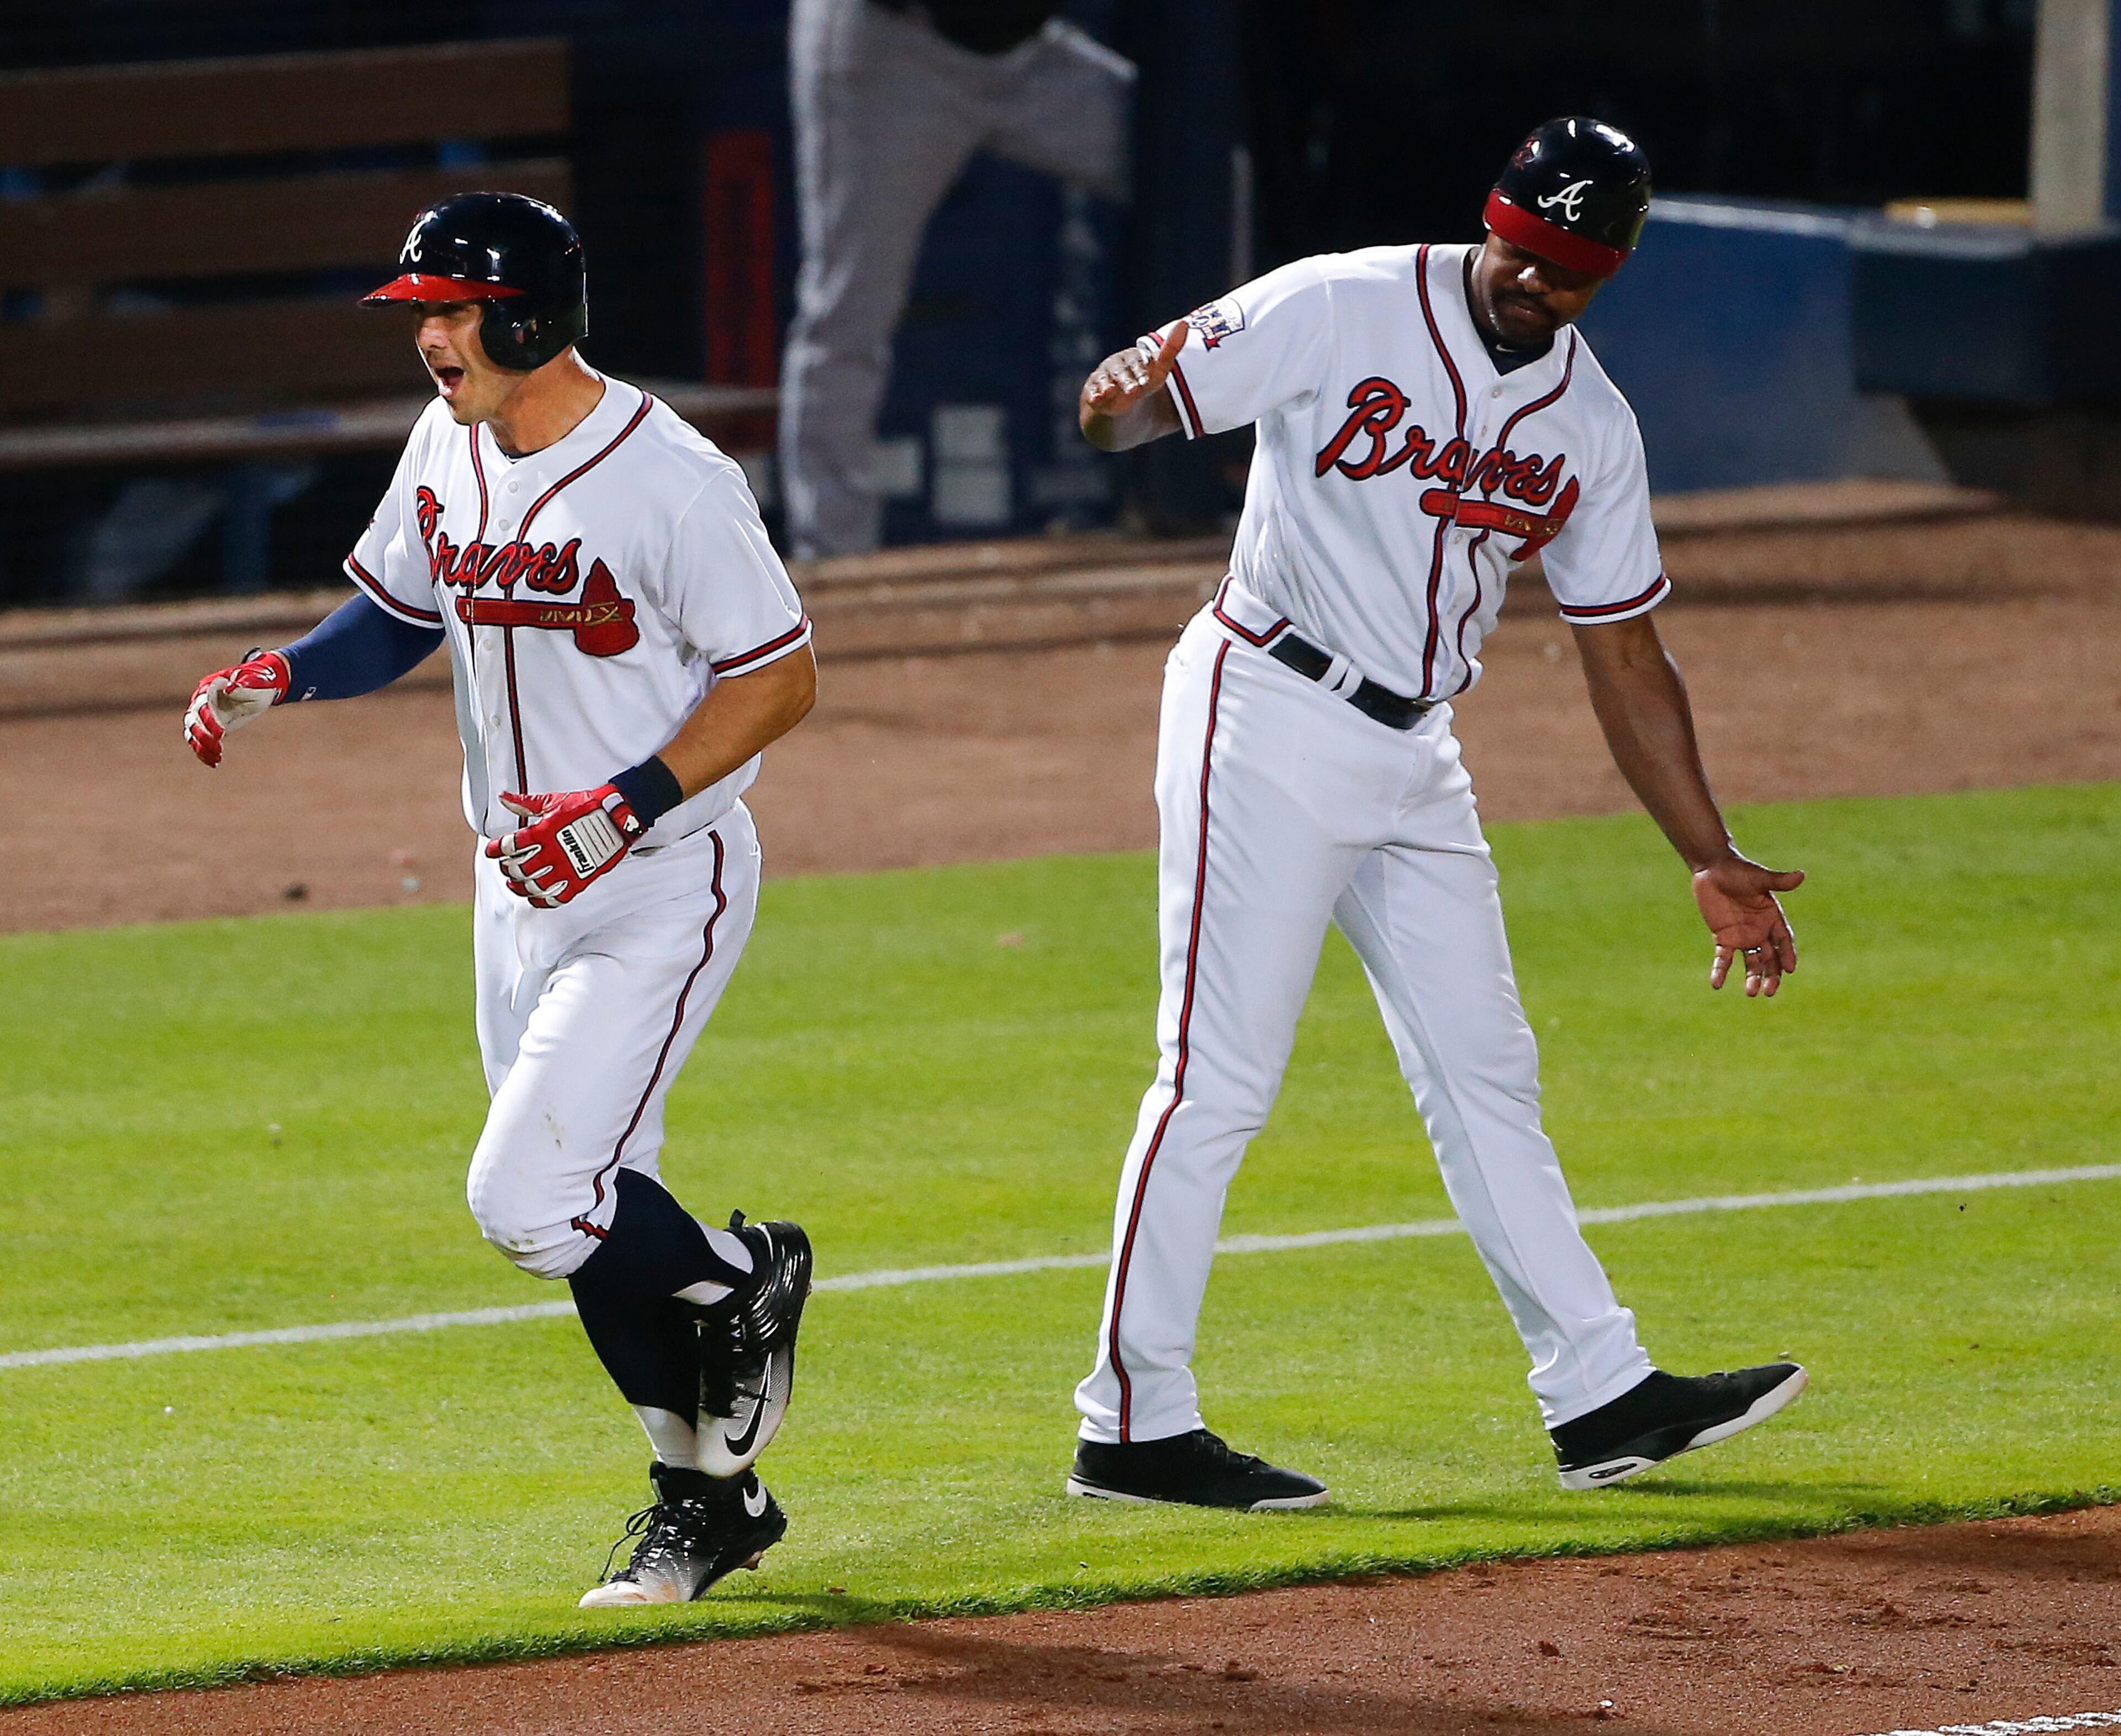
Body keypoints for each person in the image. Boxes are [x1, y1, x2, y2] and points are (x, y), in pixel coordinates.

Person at [1064, 119, 1808, 1510]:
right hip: (1262, 713)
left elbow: (1627, 655)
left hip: (1416, 756)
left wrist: (1708, 854)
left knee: (1486, 1073)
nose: (1535, 284)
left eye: (1569, 273)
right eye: (1521, 253)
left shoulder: (1590, 424)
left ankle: (1596, 1392)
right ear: (1491, 219)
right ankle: (1129, 1420)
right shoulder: (1336, 302)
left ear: (1612, 272)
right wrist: (1122, 394)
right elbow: (1129, 408)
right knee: (1213, 1079)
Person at [183, 193, 819, 1602]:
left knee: (531, 1198)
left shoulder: (672, 477)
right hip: (510, 892)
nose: (430, 342)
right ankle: (708, 1499)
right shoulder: (448, 445)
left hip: (659, 881)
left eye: (452, 313)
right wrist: (285, 670)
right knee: (593, 1204)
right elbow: (399, 611)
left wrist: (619, 809)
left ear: (528, 314)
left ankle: (739, 1278)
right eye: (422, 317)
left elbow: (779, 678)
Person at [778, 0, 1135, 557]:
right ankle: (831, 559)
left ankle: (1213, 482)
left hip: (1026, 53)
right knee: (850, 309)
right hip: (891, 47)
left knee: (1204, 170)